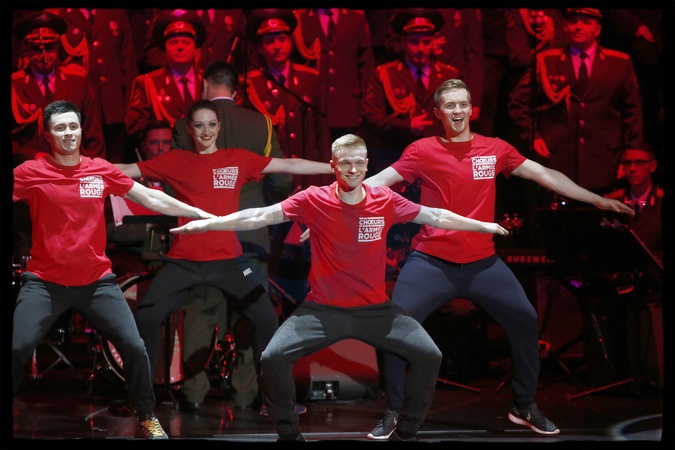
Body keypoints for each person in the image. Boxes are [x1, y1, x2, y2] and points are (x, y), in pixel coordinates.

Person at [169, 133, 510, 442]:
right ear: (333, 166)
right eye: (345, 163)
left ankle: (408, 429)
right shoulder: (313, 199)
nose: (352, 170)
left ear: (367, 164)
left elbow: (435, 216)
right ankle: (288, 432)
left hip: (375, 310)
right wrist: (210, 224)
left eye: (358, 163)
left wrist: (482, 225)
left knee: (429, 354)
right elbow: (260, 216)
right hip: (322, 311)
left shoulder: (385, 200)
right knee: (272, 357)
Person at [363, 78, 635, 439]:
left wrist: (597, 199)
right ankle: (395, 410)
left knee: (525, 319)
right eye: (450, 105)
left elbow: (544, 174)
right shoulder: (422, 150)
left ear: (471, 109)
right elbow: (378, 182)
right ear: (438, 112)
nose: (457, 111)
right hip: (431, 261)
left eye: (463, 104)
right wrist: (331, 204)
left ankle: (523, 405)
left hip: (483, 264)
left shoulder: (494, 149)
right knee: (396, 328)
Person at [114, 100, 333, 417]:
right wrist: (77, 167)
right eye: (199, 125)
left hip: (229, 261)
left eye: (211, 124)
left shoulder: (237, 159)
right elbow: (126, 170)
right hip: (184, 262)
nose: (206, 131)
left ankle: (273, 401)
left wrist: (335, 167)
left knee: (266, 318)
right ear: (189, 130)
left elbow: (290, 165)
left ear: (219, 127)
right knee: (147, 317)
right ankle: (140, 401)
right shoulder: (176, 160)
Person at [12, 100, 214, 440]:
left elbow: (150, 197)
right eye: (60, 128)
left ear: (81, 130)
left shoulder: (100, 170)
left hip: (96, 283)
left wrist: (198, 213)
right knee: (17, 348)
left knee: (134, 346)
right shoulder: (30, 172)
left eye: (73, 126)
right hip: (45, 283)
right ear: (47, 135)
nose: (68, 133)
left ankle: (146, 415)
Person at [171, 60, 293, 411]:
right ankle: (245, 393)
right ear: (237, 92)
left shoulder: (185, 124)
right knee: (249, 315)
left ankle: (194, 394)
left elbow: (175, 180)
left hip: (204, 236)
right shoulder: (261, 123)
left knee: (200, 313)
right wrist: (265, 204)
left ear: (205, 85)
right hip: (250, 235)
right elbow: (283, 178)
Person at [509, 7, 644, 197]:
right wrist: (534, 136)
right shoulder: (546, 61)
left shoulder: (619, 63)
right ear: (565, 26)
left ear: (598, 29)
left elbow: (633, 111)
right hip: (558, 158)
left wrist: (631, 154)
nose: (578, 27)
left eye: (586, 22)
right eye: (573, 21)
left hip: (604, 160)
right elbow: (518, 102)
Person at [360, 8, 460, 175]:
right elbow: (371, 117)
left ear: (433, 42)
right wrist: (406, 125)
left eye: (426, 42)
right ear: (403, 42)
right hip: (397, 159)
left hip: (439, 162)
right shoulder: (386, 74)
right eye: (414, 42)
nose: (420, 48)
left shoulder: (449, 76)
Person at [243, 8, 333, 190]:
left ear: (291, 43)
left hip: (307, 176)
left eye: (282, 39)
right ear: (260, 48)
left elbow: (321, 134)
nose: (277, 46)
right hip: (271, 180)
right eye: (269, 41)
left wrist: (324, 180)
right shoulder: (251, 84)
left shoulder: (310, 79)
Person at [11, 10, 106, 167]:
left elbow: (93, 134)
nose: (44, 57)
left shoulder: (78, 81)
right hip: (30, 169)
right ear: (27, 49)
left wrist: (93, 170)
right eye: (37, 49)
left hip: (73, 169)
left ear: (58, 46)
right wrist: (33, 156)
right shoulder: (15, 85)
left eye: (49, 47)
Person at [45, 7, 138, 163]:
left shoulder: (115, 12)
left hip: (112, 106)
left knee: (115, 163)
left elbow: (128, 63)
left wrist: (131, 106)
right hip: (79, 107)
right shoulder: (61, 15)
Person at [125, 9, 206, 150]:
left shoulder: (209, 81)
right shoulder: (148, 84)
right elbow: (135, 126)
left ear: (195, 48)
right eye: (173, 42)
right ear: (164, 49)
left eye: (186, 42)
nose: (180, 47)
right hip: (165, 155)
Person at [292, 8, 375, 142]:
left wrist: (364, 107)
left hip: (348, 108)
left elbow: (366, 67)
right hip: (313, 108)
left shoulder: (356, 18)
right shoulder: (300, 19)